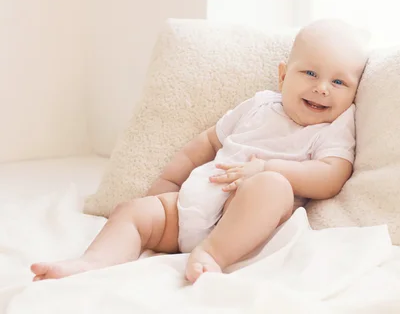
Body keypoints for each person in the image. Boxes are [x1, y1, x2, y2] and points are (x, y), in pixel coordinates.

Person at [31, 19, 369, 283]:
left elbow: (331, 176)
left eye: (339, 82)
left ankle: (212, 255)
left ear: (354, 92)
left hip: (245, 221)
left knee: (273, 187)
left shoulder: (333, 128)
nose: (321, 88)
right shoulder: (260, 105)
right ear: (283, 76)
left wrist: (267, 168)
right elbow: (207, 143)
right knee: (132, 211)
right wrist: (167, 183)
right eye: (309, 72)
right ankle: (93, 262)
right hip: (194, 203)